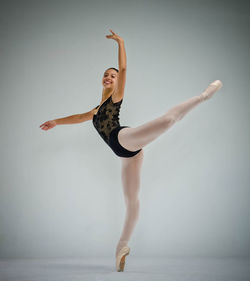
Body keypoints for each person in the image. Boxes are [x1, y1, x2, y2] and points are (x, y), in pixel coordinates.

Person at [39, 29, 223, 272]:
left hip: (124, 138)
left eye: (112, 75)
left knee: (167, 121)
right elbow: (78, 117)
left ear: (117, 82)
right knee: (132, 201)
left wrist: (121, 43)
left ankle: (203, 96)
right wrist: (55, 121)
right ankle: (122, 247)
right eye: (105, 75)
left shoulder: (116, 97)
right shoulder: (96, 109)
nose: (109, 77)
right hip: (126, 155)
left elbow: (124, 69)